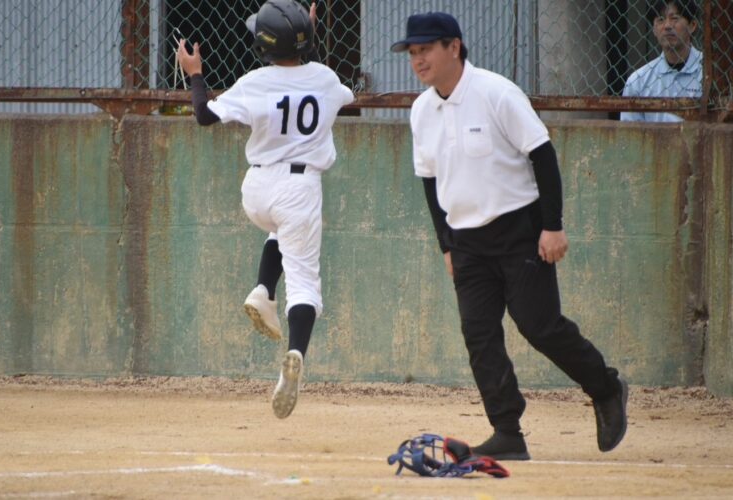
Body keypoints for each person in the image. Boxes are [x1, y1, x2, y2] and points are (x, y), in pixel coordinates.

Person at [391, 12, 628, 460]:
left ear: (454, 47)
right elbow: (430, 181)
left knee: (540, 327)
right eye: (412, 52)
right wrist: (446, 245)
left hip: (519, 231)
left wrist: (552, 225)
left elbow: (543, 155)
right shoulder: (422, 110)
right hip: (465, 242)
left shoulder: (496, 93)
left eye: (425, 49)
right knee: (479, 336)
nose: (417, 59)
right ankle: (507, 432)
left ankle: (606, 387)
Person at [176, 0, 354, 419]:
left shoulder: (254, 82)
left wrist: (195, 72)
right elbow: (333, 90)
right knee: (305, 283)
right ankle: (296, 352)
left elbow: (203, 115)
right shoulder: (326, 78)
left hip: (256, 191)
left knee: (280, 230)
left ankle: (264, 290)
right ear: (306, 42)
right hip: (299, 189)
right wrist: (306, 38)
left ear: (263, 45)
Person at [621, 0, 702, 122]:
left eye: (674, 18)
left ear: (692, 25)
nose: (667, 26)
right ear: (654, 29)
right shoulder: (638, 81)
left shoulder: (710, 72)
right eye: (660, 19)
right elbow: (628, 131)